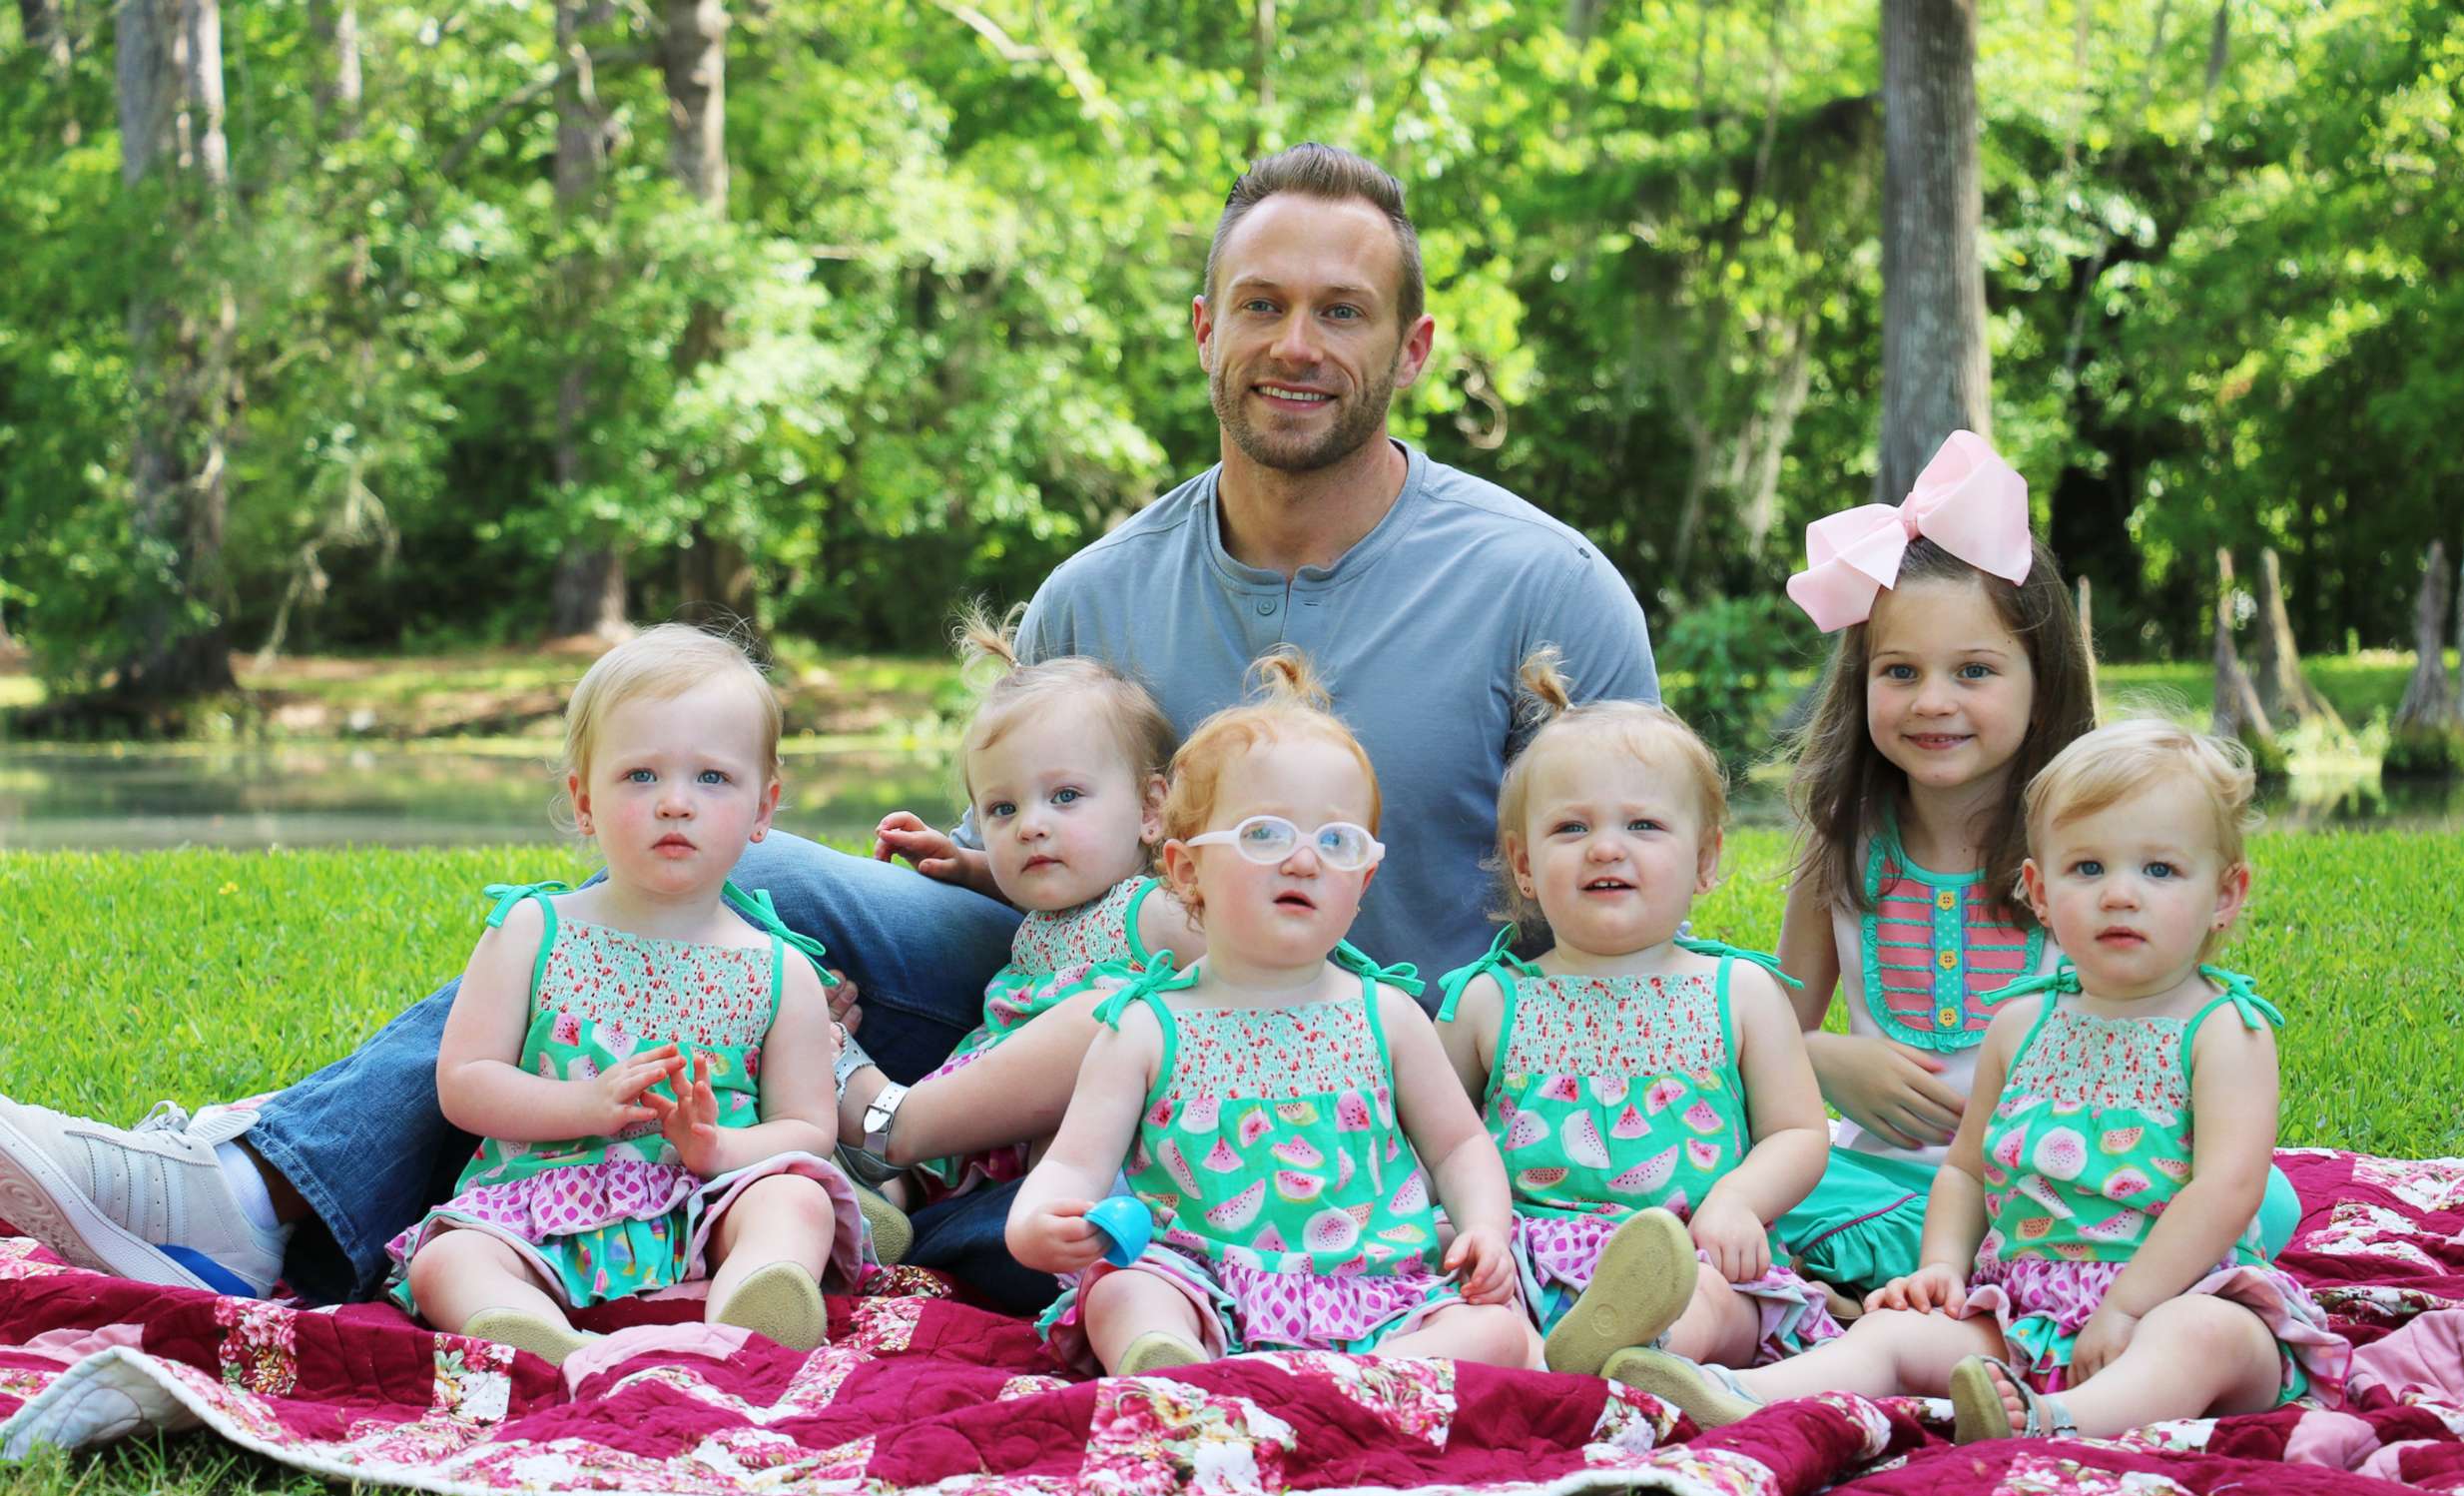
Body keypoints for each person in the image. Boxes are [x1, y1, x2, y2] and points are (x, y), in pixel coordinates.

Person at [0, 141, 1651, 1311]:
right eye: (1262, 303)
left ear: (1412, 344)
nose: (1298, 344)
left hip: (1369, 1056)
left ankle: (864, 1195)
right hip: (1089, 998)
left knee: (996, 1193)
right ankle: (261, 1187)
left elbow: (1617, 895)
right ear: (1204, 326)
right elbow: (1075, 886)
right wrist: (993, 869)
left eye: (1344, 311)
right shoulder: (1099, 589)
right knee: (726, 866)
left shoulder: (1537, 590)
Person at [1603, 719, 2350, 1438]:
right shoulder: (2022, 1024)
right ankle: (1737, 1391)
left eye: (2160, 870)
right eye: (2087, 868)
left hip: (2170, 1299)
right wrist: (1940, 1271)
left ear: (2225, 894)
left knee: (2202, 1337)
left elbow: (2226, 1191)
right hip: (2026, 1312)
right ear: (2039, 891)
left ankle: (2058, 1422)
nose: (2121, 894)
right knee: (1898, 1330)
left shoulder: (2222, 1030)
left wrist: (2127, 1308)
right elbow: (1965, 1170)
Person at [1762, 430, 2299, 1290]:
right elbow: (1768, 1031)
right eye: (1899, 672)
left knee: (2262, 1199)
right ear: (1861, 685)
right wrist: (1825, 1060)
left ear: (2042, 680)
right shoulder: (1843, 849)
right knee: (1742, 1181)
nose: (1934, 701)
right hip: (1881, 1175)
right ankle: (1948, 1267)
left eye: (1974, 670)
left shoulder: (2087, 856)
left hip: (2061, 1173)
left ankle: (1899, 1276)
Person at [1006, 653, 1536, 1376]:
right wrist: (1041, 1221)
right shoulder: (1145, 1026)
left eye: (1337, 842)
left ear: (1364, 879)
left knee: (1496, 1334)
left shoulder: (1388, 1016)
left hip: (1378, 1297)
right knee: (1123, 1292)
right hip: (1209, 1291)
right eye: (1265, 835)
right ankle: (1179, 1369)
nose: (1304, 862)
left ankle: (1349, 1384)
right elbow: (1074, 1161)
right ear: (1186, 870)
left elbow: (1459, 1148)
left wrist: (1483, 1228)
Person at [389, 626, 883, 1364]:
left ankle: (750, 1305)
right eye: (641, 776)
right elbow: (464, 1083)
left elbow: (808, 1129)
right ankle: (536, 1334)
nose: (676, 803)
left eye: (712, 778)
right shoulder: (533, 929)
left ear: (763, 808)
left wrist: (720, 1148)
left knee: (796, 1199)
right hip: (540, 1208)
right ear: (584, 802)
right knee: (446, 1261)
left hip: (706, 1209)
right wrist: (582, 1107)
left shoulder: (779, 971)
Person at [1434, 650, 1837, 1385]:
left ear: (1707, 860)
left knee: (1718, 1305)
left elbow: (1800, 1132)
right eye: (1570, 829)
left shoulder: (1738, 991)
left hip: (1692, 1254)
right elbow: (1432, 1139)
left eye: (1645, 824)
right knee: (1469, 1318)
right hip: (1529, 1261)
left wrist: (1739, 1203)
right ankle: (1541, 1360)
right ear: (1524, 866)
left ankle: (1648, 1352)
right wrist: (1472, 1238)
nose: (1607, 847)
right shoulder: (1491, 1001)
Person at [836, 609, 1201, 1222]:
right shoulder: (1055, 907)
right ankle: (882, 1206)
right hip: (996, 1123)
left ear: (1150, 808)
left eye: (1065, 797)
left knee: (1102, 1019)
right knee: (911, 1186)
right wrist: (970, 865)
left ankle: (893, 1129)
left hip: (1100, 1131)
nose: (1031, 825)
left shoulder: (1154, 908)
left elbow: (1243, 964)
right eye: (1002, 809)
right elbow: (1038, 883)